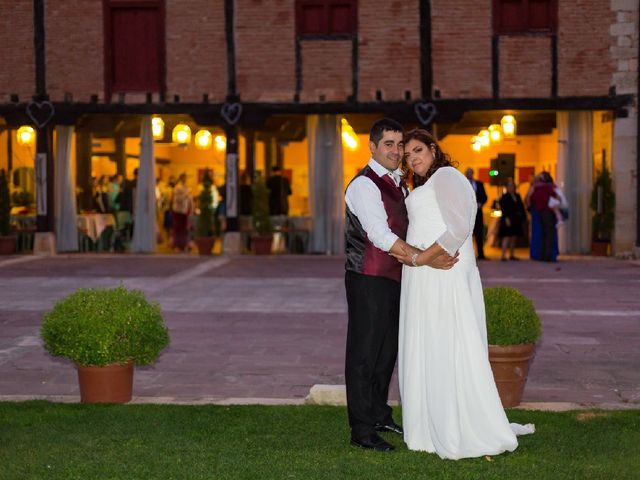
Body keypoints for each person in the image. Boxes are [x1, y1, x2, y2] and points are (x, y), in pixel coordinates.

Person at [392, 129, 534, 460]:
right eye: (407, 155)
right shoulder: (426, 183)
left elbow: (458, 228)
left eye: (417, 151)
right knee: (429, 341)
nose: (413, 158)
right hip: (425, 275)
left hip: (443, 271)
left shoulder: (447, 176)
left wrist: (421, 258)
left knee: (447, 340)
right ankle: (428, 423)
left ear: (432, 148)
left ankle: (455, 423)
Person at [344, 118, 457, 453]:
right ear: (373, 146)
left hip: (399, 278)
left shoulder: (401, 183)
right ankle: (361, 429)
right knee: (364, 354)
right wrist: (424, 257)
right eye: (389, 144)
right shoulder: (363, 185)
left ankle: (379, 413)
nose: (396, 151)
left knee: (387, 351)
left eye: (399, 145)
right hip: (368, 278)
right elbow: (379, 235)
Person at [528, 171, 558, 262]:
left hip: (539, 213)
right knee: (549, 234)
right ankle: (548, 255)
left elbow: (529, 199)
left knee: (542, 234)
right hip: (549, 213)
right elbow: (557, 198)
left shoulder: (536, 188)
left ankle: (542, 254)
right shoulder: (551, 188)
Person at [498, 178, 527, 261]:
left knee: (514, 237)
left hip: (516, 219)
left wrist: (523, 217)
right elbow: (503, 209)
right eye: (510, 186)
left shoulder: (517, 196)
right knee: (506, 236)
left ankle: (511, 254)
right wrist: (506, 218)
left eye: (513, 186)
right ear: (507, 187)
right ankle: (503, 255)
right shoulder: (504, 197)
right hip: (507, 219)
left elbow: (521, 207)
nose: (511, 187)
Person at [465, 167, 488, 259]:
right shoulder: (462, 184)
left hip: (478, 213)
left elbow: (485, 197)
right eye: (468, 172)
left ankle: (481, 254)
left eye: (471, 172)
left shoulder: (479, 184)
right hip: (466, 214)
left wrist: (481, 203)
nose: (469, 174)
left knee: (479, 234)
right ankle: (467, 255)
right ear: (465, 174)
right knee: (467, 235)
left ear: (473, 173)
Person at [171, 173, 192, 252]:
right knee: (178, 228)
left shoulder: (186, 187)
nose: (186, 180)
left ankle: (184, 244)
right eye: (184, 178)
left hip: (185, 211)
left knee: (184, 229)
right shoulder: (178, 188)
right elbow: (177, 199)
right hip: (178, 211)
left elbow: (189, 199)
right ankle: (177, 245)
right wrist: (186, 195)